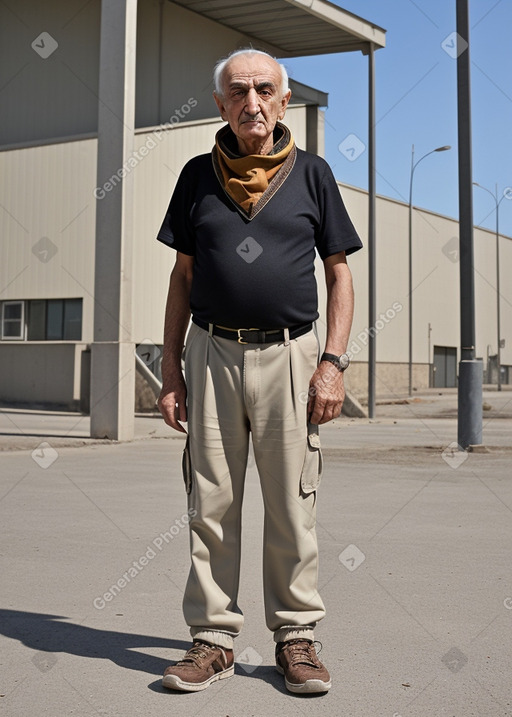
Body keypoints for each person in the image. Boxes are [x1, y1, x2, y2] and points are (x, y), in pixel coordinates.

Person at [156, 47, 362, 695]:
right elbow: (183, 276)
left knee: (291, 502)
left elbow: (339, 274)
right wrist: (170, 368)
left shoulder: (313, 175)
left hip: (292, 355)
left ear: (284, 99)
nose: (252, 102)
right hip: (211, 351)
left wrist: (332, 362)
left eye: (265, 90)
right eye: (239, 92)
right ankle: (213, 639)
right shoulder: (197, 176)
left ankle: (295, 637)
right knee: (210, 501)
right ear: (220, 104)